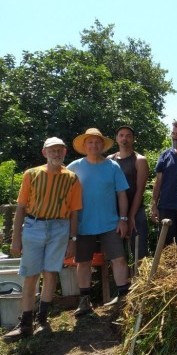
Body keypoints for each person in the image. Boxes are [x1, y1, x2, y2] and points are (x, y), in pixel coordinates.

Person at [2, 137, 82, 342]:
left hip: (59, 227)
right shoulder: (32, 174)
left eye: (60, 150)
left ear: (65, 153)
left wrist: (73, 239)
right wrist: (15, 239)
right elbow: (20, 207)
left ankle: (43, 320)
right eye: (52, 150)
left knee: (51, 273)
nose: (57, 154)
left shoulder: (72, 178)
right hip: (34, 226)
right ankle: (26, 323)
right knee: (30, 275)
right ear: (44, 152)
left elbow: (74, 212)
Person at [67, 128, 130, 315]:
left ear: (102, 145)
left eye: (97, 142)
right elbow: (63, 194)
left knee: (119, 259)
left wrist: (123, 219)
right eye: (90, 142)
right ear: (84, 145)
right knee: (83, 262)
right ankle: (84, 301)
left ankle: (123, 298)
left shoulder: (112, 167)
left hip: (110, 223)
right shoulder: (74, 167)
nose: (94, 145)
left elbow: (122, 194)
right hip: (83, 224)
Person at [107, 126, 150, 260]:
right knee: (116, 253)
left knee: (139, 251)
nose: (124, 138)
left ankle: (141, 280)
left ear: (133, 139)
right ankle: (121, 280)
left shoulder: (140, 160)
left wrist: (130, 216)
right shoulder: (109, 160)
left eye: (128, 136)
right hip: (114, 213)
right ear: (116, 138)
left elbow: (139, 191)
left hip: (135, 211)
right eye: (121, 135)